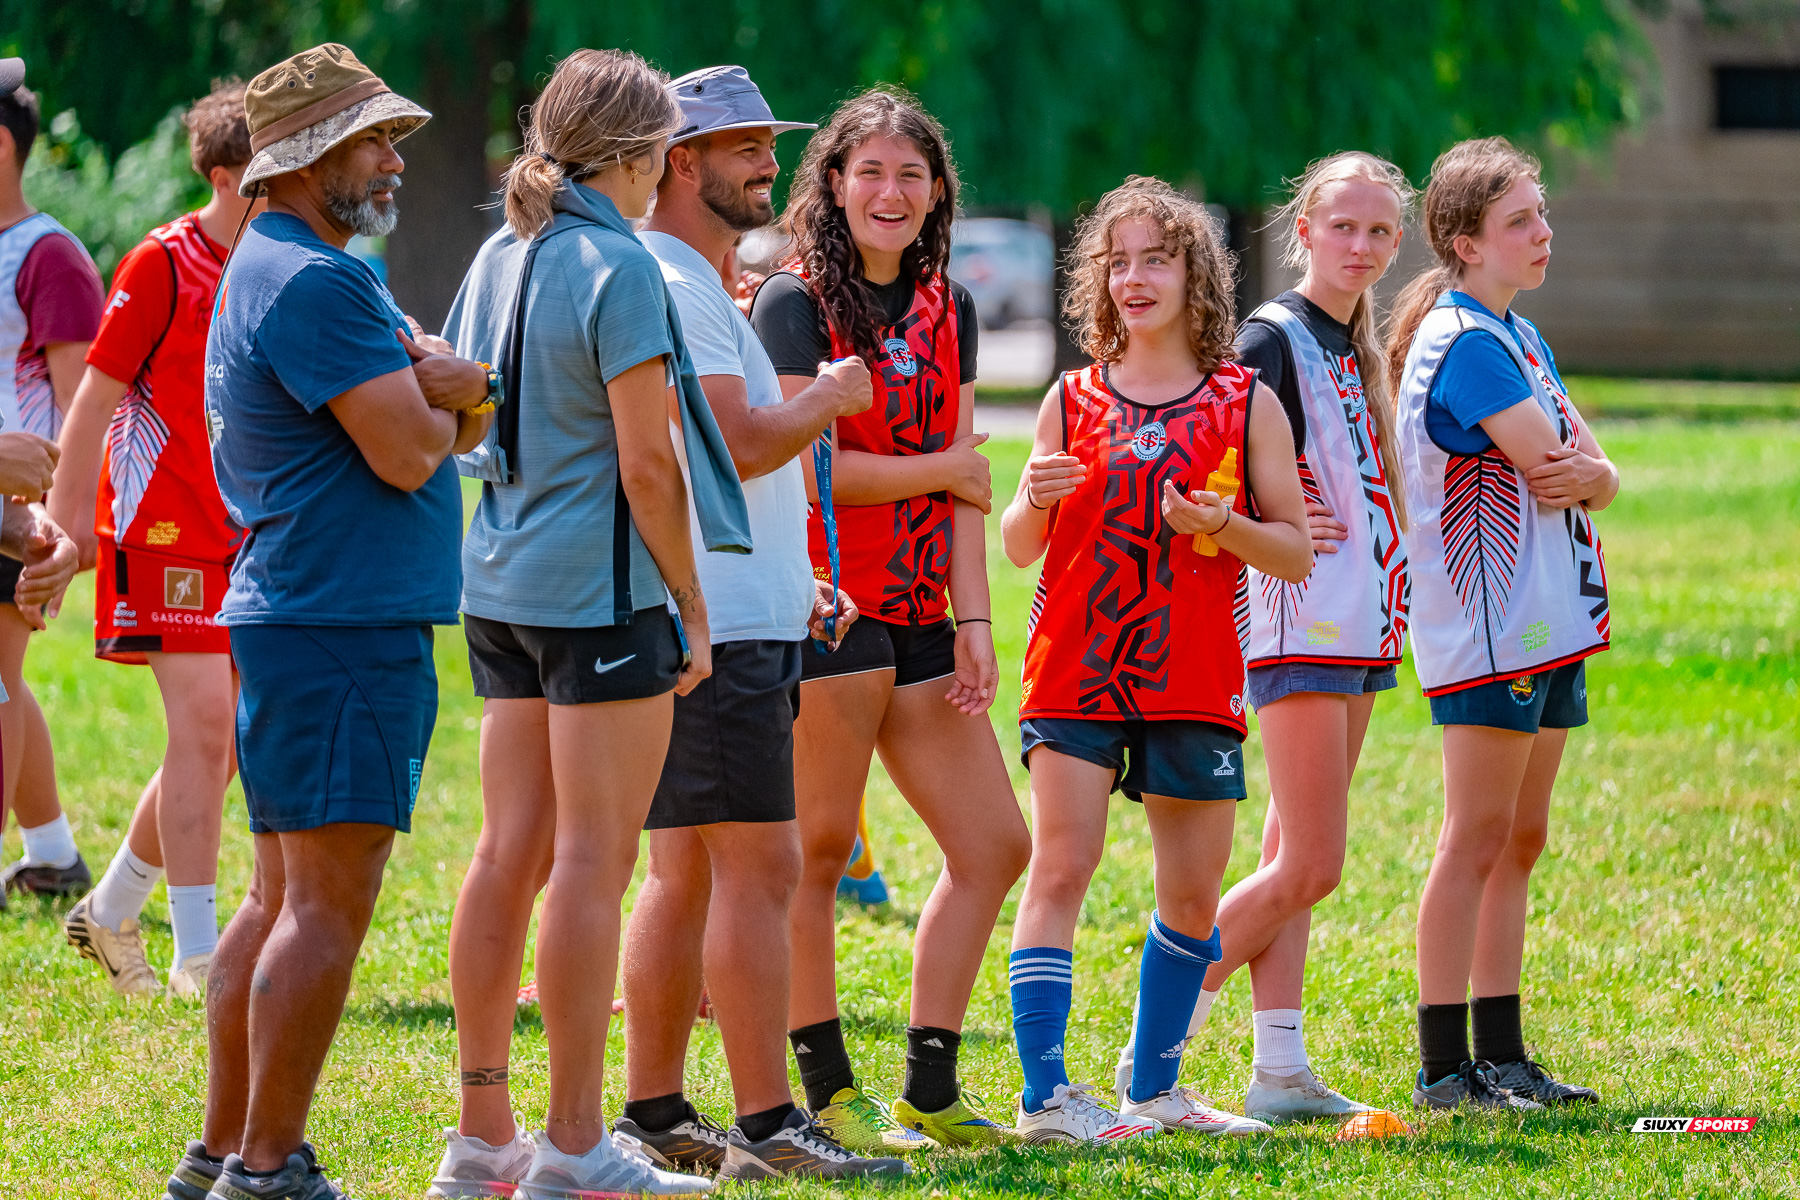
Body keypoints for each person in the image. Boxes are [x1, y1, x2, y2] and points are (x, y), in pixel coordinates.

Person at [159, 44, 494, 1200]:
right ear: (306, 157)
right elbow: (408, 449)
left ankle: (223, 1155)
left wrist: (453, 393)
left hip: (307, 616)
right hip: (343, 622)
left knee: (275, 901)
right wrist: (466, 395)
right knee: (323, 909)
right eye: (374, 140)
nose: (395, 161)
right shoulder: (317, 281)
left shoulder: (282, 262)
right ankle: (266, 1169)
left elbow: (430, 410)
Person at [435, 48, 755, 1199]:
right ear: (640, 153)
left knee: (505, 852)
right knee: (589, 862)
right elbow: (648, 466)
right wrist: (693, 603)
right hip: (599, 599)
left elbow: (463, 416)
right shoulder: (619, 264)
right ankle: (574, 1146)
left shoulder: (500, 249)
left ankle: (484, 1137)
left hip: (500, 586)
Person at [614, 64, 904, 1183]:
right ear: (679, 160)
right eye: (745, 147)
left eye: (769, 145)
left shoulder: (691, 278)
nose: (767, 165)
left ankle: (654, 1115)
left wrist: (794, 580)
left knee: (683, 871)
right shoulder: (681, 282)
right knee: (759, 869)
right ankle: (768, 1126)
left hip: (730, 612)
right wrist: (826, 398)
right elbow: (734, 445)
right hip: (721, 631)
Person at [1000, 177, 1312, 1143]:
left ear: (1195, 275)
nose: (1134, 280)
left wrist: (1224, 523)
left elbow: (1294, 551)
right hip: (1076, 670)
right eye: (1118, 263)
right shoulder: (1072, 397)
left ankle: (1155, 1091)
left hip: (1195, 673)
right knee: (1062, 865)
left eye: (1157, 261)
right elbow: (1018, 545)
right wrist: (1032, 495)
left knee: (1190, 892)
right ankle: (1046, 1099)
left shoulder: (1243, 400)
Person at [749, 88, 1031, 1154]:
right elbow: (803, 466)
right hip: (827, 607)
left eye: (912, 173)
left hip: (923, 614)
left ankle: (931, 1087)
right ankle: (827, 1091)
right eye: (868, 170)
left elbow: (966, 484)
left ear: (937, 191)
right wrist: (942, 469)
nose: (890, 190)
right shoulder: (793, 301)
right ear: (832, 183)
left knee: (994, 844)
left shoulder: (951, 308)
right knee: (818, 850)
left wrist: (975, 620)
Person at [1109, 152, 1412, 1123]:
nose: (1360, 245)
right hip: (1298, 620)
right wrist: (1264, 513)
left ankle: (1279, 1068)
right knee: (1312, 863)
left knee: (1294, 860)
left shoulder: (1349, 342)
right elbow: (1203, 452)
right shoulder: (1272, 337)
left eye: (1379, 231)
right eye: (1343, 226)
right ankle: (1152, 1055)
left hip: (1357, 624)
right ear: (1304, 230)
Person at [1385, 136, 1616, 1112]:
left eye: (1542, 213)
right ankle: (1446, 1069)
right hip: (1492, 633)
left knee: (1520, 837)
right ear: (1465, 242)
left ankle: (1504, 1057)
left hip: (1544, 624)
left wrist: (1594, 473)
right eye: (1521, 220)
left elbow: (1593, 471)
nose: (1543, 232)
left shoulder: (1517, 335)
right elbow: (1552, 461)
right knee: (1474, 836)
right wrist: (1587, 472)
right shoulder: (1469, 344)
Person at [54, 80, 263, 999]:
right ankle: (198, 956)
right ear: (222, 176)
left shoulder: (274, 266)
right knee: (207, 729)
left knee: (220, 743)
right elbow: (95, 398)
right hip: (160, 531)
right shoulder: (161, 263)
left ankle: (109, 909)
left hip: (239, 533)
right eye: (264, 171)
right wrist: (67, 522)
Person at [0, 56, 105, 902]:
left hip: (16, 515)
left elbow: (84, 409)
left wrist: (64, 531)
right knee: (4, 682)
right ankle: (55, 856)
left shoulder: (49, 256)